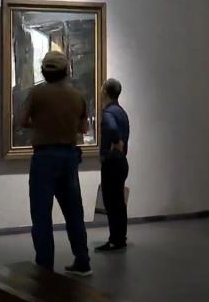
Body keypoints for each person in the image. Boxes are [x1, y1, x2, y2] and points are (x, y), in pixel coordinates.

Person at [19, 51, 92, 276]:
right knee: (74, 212)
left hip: (44, 158)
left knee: (41, 215)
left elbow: (21, 120)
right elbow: (84, 128)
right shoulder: (77, 96)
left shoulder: (36, 93)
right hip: (69, 157)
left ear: (44, 71)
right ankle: (82, 261)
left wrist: (42, 124)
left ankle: (45, 267)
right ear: (66, 71)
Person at [96, 78, 129, 252]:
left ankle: (115, 240)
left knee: (111, 203)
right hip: (121, 162)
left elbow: (111, 128)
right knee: (119, 203)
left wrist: (115, 142)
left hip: (112, 163)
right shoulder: (121, 111)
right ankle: (120, 238)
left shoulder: (108, 113)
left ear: (105, 92)